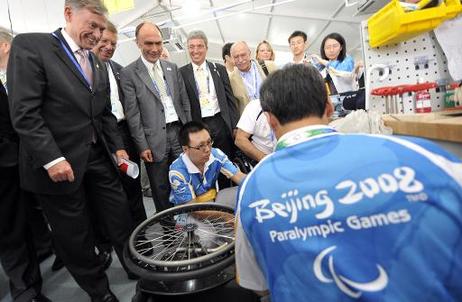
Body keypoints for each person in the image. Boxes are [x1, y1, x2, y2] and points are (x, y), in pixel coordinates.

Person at [235, 64, 462, 301]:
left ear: (271, 121)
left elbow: (258, 285)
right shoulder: (425, 157)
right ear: (330, 108)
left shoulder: (252, 188)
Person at [7, 1, 133, 301]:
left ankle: (138, 269)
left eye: (102, 28)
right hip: (57, 165)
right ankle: (99, 292)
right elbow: (25, 113)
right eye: (92, 25)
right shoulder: (32, 46)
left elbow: (103, 113)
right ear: (68, 14)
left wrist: (117, 149)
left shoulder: (97, 62)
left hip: (97, 156)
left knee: (120, 216)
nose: (97, 33)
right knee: (74, 234)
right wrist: (52, 157)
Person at [0, 27, 51, 302]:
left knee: (35, 219)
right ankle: (24, 290)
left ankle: (40, 265)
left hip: (33, 160)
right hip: (5, 167)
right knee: (11, 229)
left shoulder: (23, 76)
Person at [120, 21, 191, 213]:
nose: (155, 49)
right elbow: (133, 114)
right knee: (160, 188)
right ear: (138, 43)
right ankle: (169, 232)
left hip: (179, 133)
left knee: (186, 180)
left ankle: (190, 223)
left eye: (158, 43)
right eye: (149, 43)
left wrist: (189, 133)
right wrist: (142, 146)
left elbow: (184, 103)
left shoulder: (172, 68)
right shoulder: (128, 73)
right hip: (153, 141)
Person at [92, 21, 147, 255]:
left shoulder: (118, 69)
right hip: (101, 142)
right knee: (110, 199)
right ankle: (114, 246)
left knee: (133, 190)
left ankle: (143, 242)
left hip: (124, 135)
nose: (109, 47)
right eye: (104, 41)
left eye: (113, 43)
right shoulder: (84, 70)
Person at [180, 30, 239, 163]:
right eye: (191, 46)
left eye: (200, 46)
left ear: (206, 48)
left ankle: (227, 184)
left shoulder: (219, 69)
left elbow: (230, 99)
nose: (195, 50)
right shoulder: (182, 73)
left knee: (225, 161)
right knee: (204, 164)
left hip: (220, 123)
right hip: (198, 125)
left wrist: (235, 125)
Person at [169, 121, 245, 206]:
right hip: (188, 211)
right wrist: (230, 218)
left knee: (241, 191)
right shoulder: (177, 172)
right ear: (186, 149)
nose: (207, 149)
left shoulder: (215, 154)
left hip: (211, 200)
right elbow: (193, 209)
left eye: (209, 142)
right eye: (200, 146)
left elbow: (239, 177)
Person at [229, 41, 277, 113]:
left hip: (272, 115)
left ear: (249, 54)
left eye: (243, 55)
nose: (240, 60)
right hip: (250, 120)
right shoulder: (231, 79)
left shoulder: (270, 66)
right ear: (232, 58)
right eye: (236, 57)